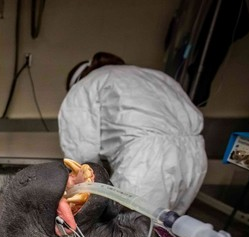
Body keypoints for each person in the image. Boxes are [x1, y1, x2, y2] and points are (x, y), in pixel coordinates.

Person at [58, 52, 207, 214]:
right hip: (195, 157)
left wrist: (83, 191)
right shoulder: (157, 77)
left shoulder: (86, 85)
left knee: (128, 229)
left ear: (77, 80)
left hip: (148, 162)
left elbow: (82, 153)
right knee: (165, 229)